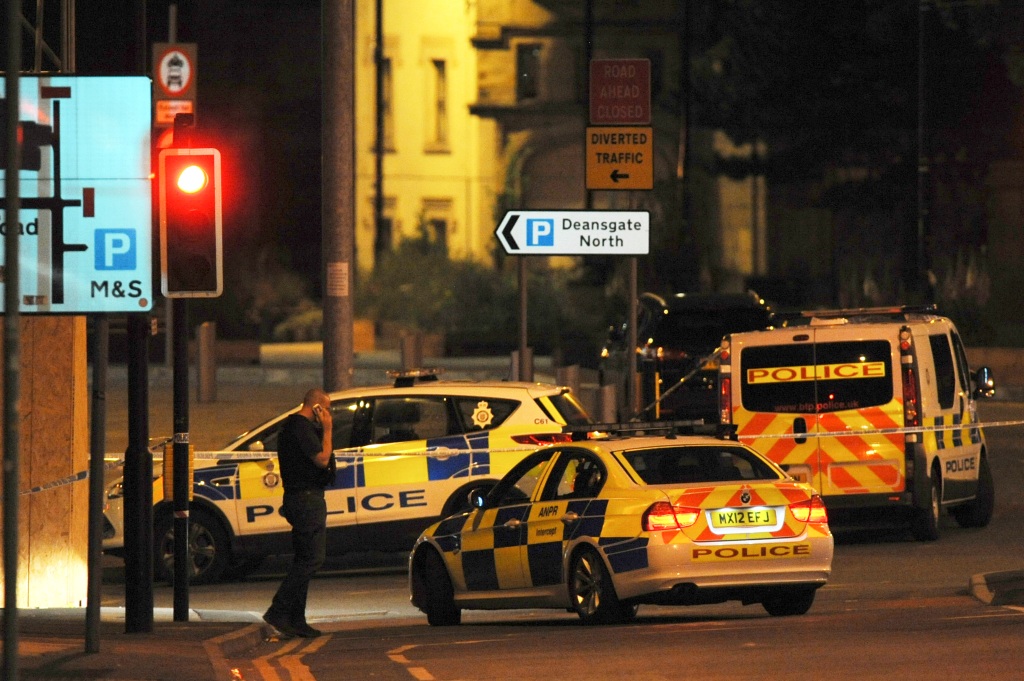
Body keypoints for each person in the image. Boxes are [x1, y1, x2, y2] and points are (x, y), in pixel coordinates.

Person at [263, 388, 335, 638]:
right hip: (305, 499)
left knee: (304, 558)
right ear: (317, 408)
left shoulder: (296, 427)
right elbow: (322, 459)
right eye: (326, 409)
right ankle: (278, 611)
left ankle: (296, 619)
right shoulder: (300, 427)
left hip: (302, 498)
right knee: (313, 559)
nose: (328, 415)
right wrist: (327, 429)